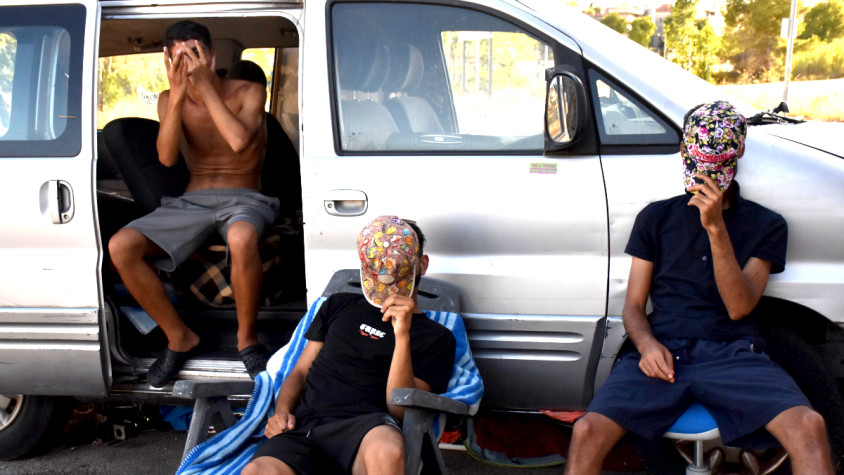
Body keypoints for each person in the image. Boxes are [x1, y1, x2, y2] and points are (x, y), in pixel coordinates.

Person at [565, 101, 833, 475]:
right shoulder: (656, 218)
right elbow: (634, 306)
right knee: (587, 431)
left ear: (737, 153)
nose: (704, 174)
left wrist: (716, 230)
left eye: (716, 163)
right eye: (697, 159)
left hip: (735, 353)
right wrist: (646, 345)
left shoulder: (766, 224)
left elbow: (740, 307)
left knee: (809, 426)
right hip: (666, 349)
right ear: (683, 151)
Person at [108, 20, 276, 387]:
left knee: (243, 237)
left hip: (245, 197)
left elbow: (239, 143)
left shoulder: (249, 91)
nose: (188, 65)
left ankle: (247, 341)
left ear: (212, 56)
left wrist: (206, 87)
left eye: (195, 55)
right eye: (179, 58)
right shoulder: (170, 99)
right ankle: (178, 336)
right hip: (192, 199)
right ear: (168, 60)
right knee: (122, 246)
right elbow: (167, 158)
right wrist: (179, 93)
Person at [241, 216, 457, 475]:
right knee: (257, 472)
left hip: (367, 428)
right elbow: (299, 372)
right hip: (306, 425)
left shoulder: (437, 337)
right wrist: (282, 412)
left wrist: (402, 335)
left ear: (421, 264)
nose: (386, 270)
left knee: (387, 452)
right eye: (378, 262)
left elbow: (400, 409)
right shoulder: (338, 305)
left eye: (397, 261)